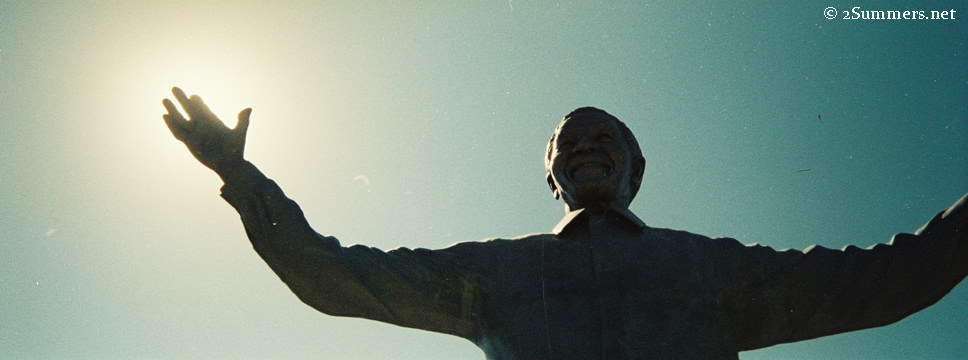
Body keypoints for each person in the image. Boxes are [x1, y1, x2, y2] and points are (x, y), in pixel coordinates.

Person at [162, 87, 967, 359]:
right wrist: (237, 173)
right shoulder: (492, 274)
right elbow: (333, 275)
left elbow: (893, 277)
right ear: (552, 176)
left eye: (604, 139)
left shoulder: (709, 268)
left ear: (633, 168)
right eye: (568, 144)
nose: (586, 149)